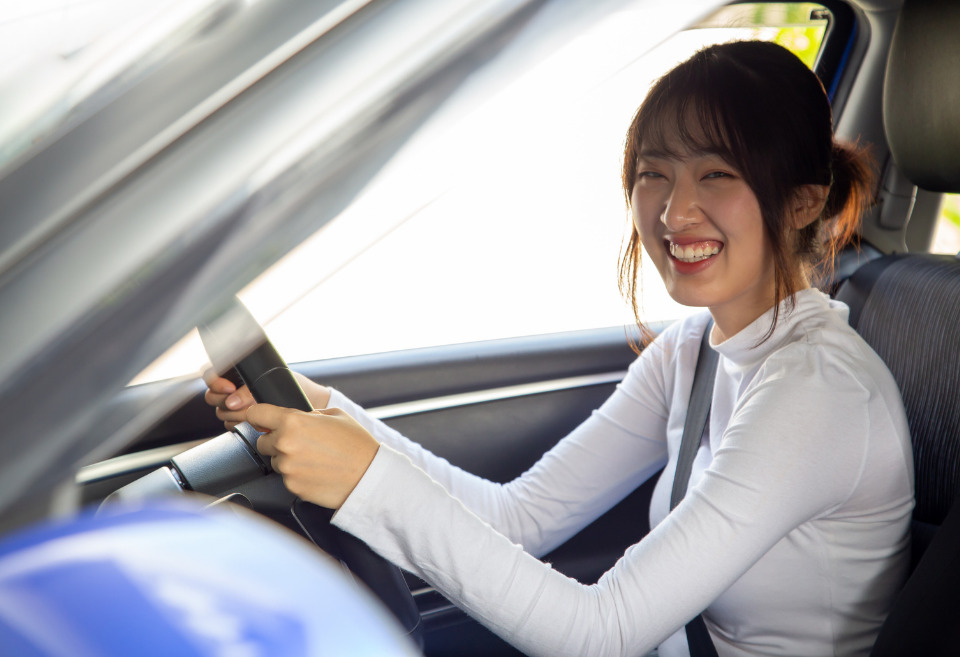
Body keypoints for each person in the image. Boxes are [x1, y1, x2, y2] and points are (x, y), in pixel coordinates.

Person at [205, 41, 914, 657]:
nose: (672, 212)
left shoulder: (816, 393)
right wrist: (330, 411)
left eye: (717, 175)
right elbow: (519, 517)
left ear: (800, 202)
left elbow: (600, 632)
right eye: (654, 172)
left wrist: (365, 481)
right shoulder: (696, 346)